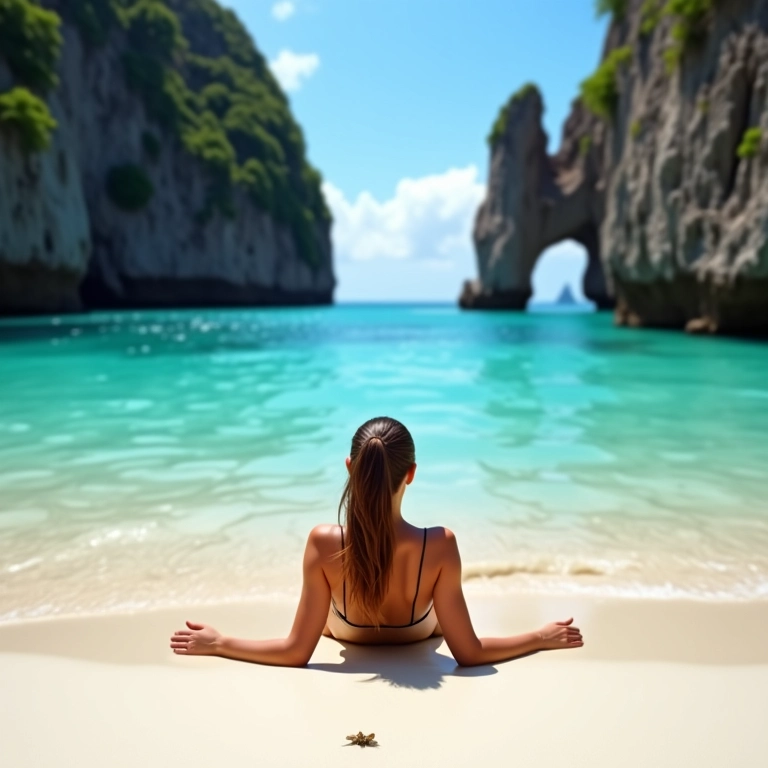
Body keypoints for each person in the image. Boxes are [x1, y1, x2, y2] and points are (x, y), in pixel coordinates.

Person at [169, 416, 584, 666]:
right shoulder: (439, 544)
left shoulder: (322, 542)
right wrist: (539, 637)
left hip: (347, 632)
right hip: (418, 632)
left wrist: (220, 643)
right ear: (411, 473)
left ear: (351, 468)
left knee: (326, 613)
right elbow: (470, 654)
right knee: (439, 609)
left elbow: (295, 652)